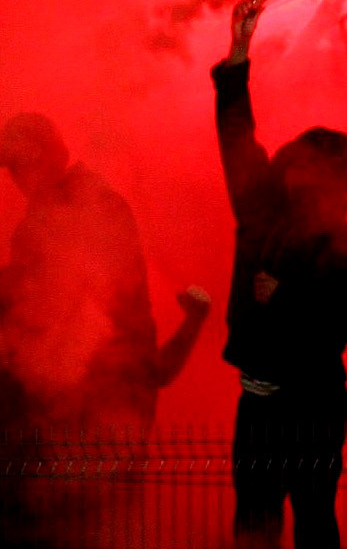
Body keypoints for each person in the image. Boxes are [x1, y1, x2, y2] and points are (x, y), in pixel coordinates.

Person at [213, 0, 347, 549]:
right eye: (294, 163)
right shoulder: (259, 211)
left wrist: (287, 298)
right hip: (258, 403)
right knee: (256, 520)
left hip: (313, 403)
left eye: (312, 169)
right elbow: (236, 135)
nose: (297, 176)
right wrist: (239, 53)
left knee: (311, 518)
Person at [0, 111, 207, 432]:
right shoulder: (50, 214)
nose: (18, 176)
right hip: (88, 388)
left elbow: (60, 294)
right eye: (13, 167)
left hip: (100, 391)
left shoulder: (92, 208)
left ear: (52, 156)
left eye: (24, 163)